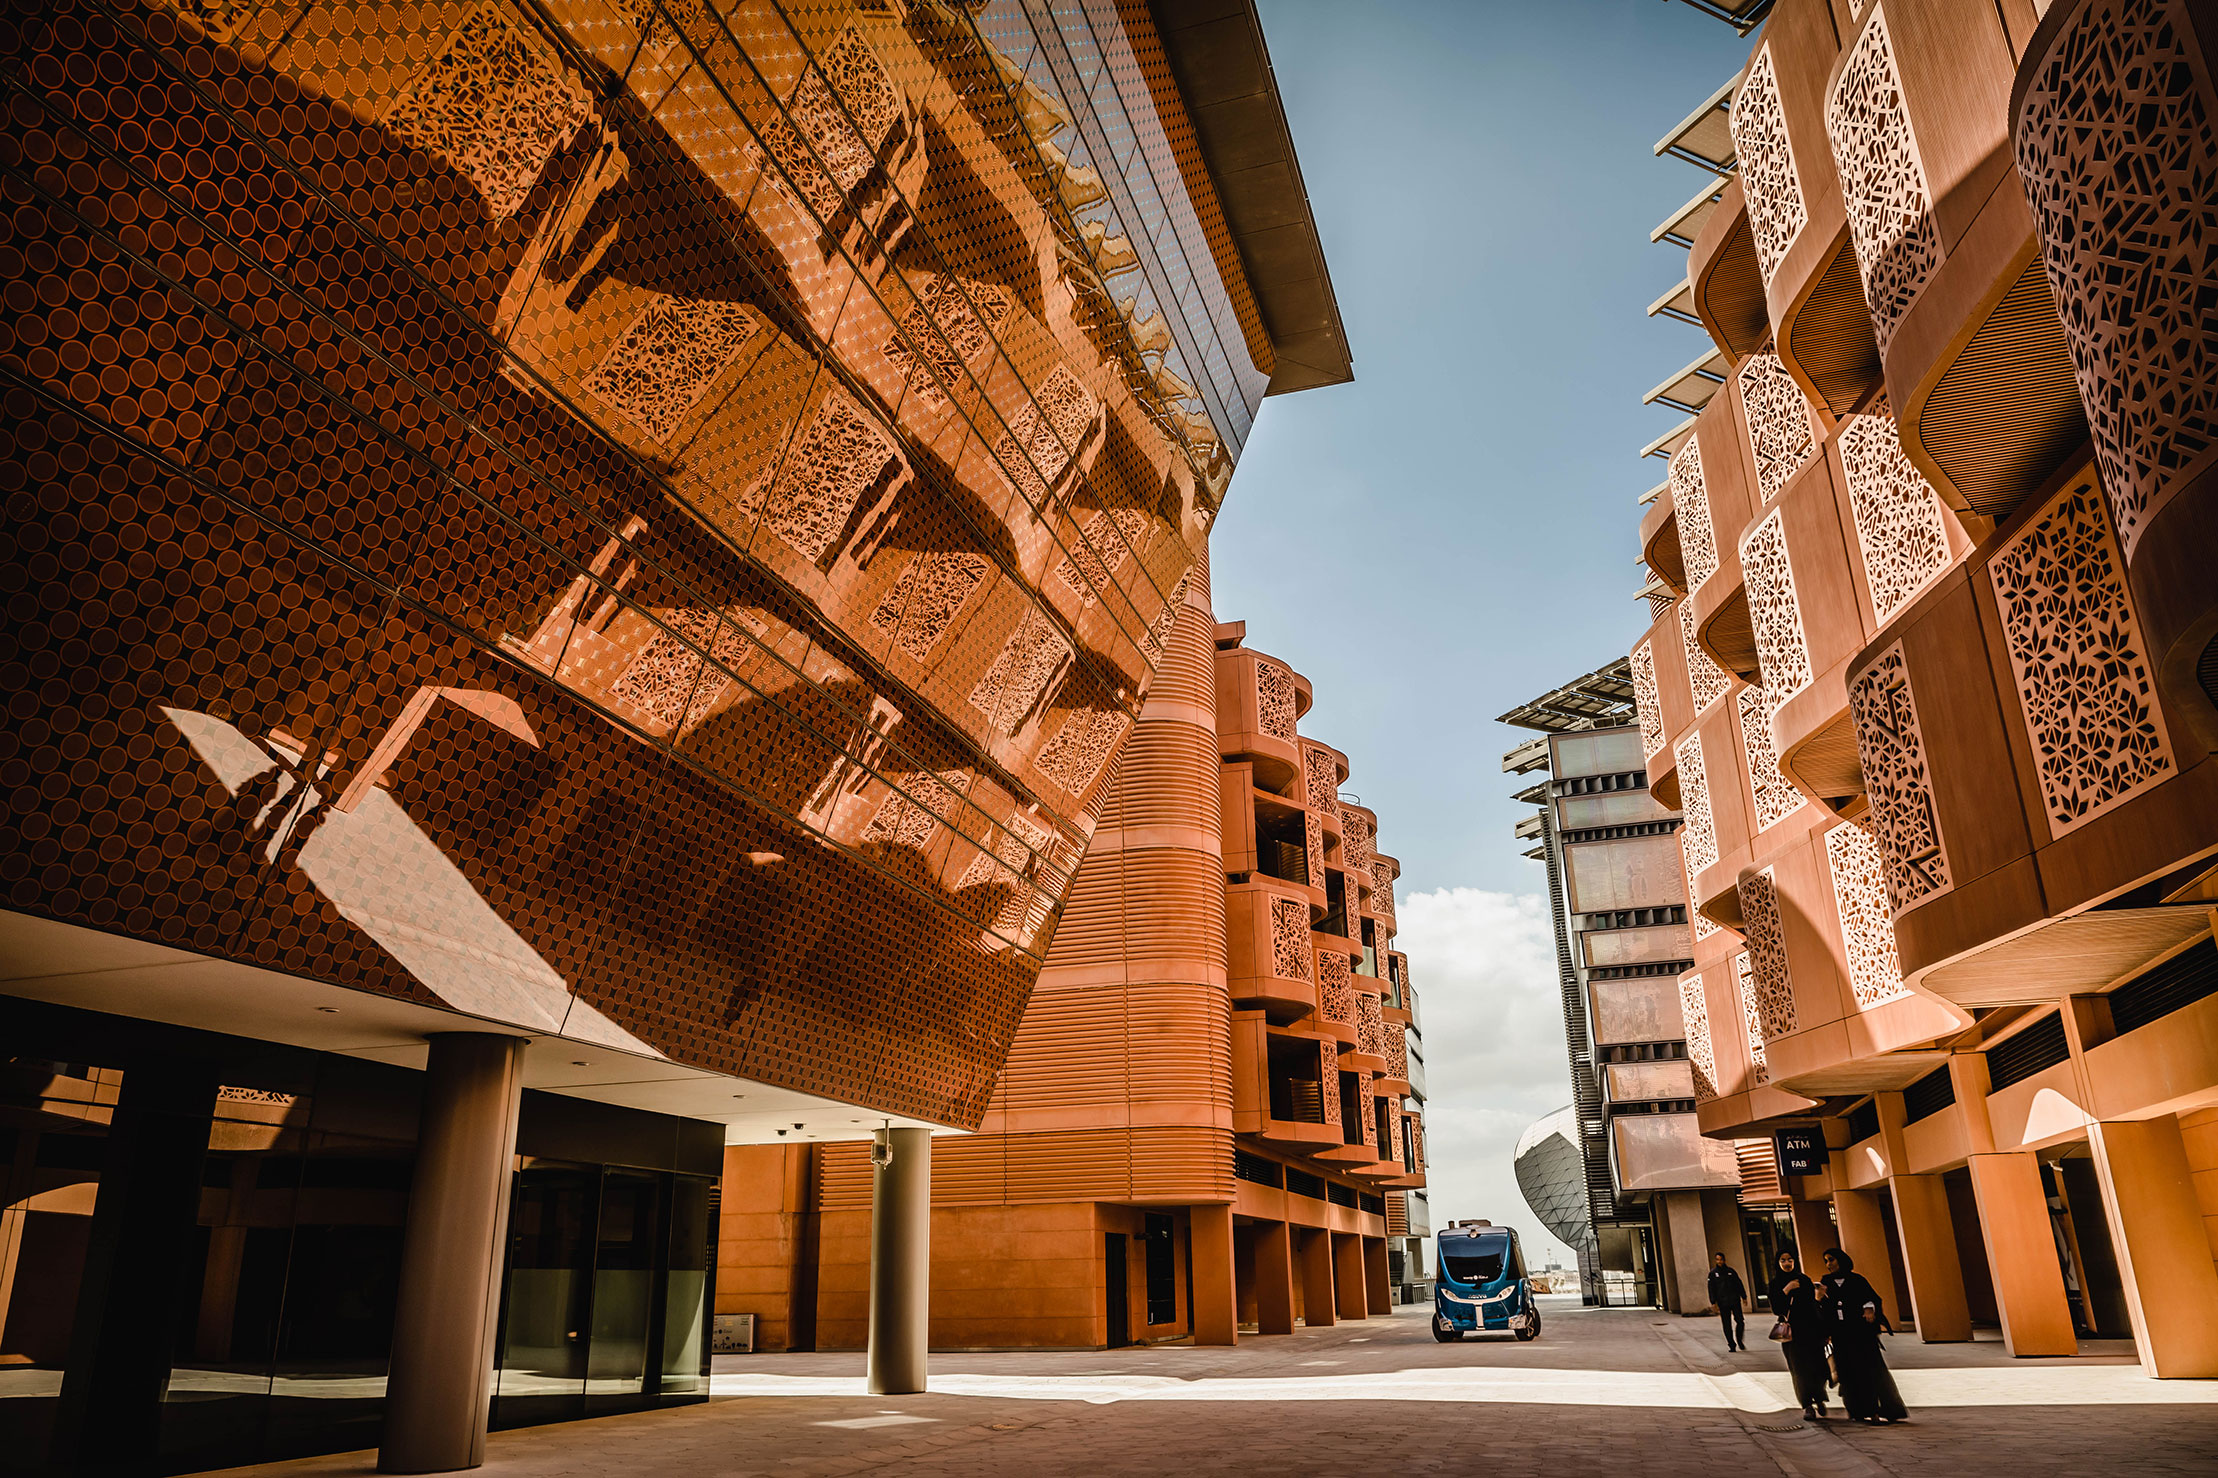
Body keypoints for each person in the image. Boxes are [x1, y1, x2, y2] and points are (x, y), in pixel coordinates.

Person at [1820, 1248, 1908, 1423]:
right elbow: (1823, 1307)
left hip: (1860, 1334)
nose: (1829, 1264)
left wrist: (1869, 1309)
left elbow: (1871, 1298)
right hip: (1840, 1335)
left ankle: (1877, 1410)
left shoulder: (1857, 1280)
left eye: (1831, 1260)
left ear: (1841, 1260)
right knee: (1848, 1373)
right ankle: (1857, 1411)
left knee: (1870, 1371)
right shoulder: (1826, 1281)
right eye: (1826, 1261)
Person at [1767, 1250, 1830, 1420]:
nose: (1787, 1263)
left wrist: (1819, 1297)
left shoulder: (1804, 1280)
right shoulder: (1775, 1284)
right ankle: (1807, 1405)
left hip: (1811, 1329)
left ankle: (1819, 1398)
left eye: (1790, 1260)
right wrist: (1787, 1289)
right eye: (1783, 1260)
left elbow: (1814, 1305)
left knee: (1817, 1366)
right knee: (1799, 1369)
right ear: (1778, 1263)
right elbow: (1777, 1309)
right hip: (1792, 1333)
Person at [1707, 1253, 1747, 1352]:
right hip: (1722, 1301)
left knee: (1740, 1321)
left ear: (1724, 1260)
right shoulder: (1713, 1273)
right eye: (1717, 1260)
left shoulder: (1731, 1271)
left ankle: (1739, 1340)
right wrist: (1713, 1302)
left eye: (1721, 1259)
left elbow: (1739, 1283)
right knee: (1726, 1324)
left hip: (1734, 1300)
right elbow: (1711, 1288)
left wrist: (1744, 1296)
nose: (1719, 1261)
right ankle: (1731, 1344)